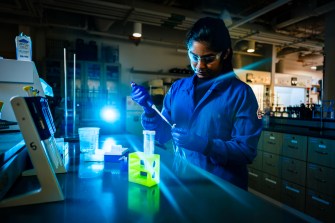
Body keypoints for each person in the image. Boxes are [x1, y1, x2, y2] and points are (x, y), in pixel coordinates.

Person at [131, 17, 262, 190]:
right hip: (183, 182)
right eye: (194, 57)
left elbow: (246, 151)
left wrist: (204, 144)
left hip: (222, 189)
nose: (200, 65)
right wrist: (148, 109)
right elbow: (163, 136)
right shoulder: (178, 89)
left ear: (225, 53)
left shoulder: (240, 94)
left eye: (209, 58)